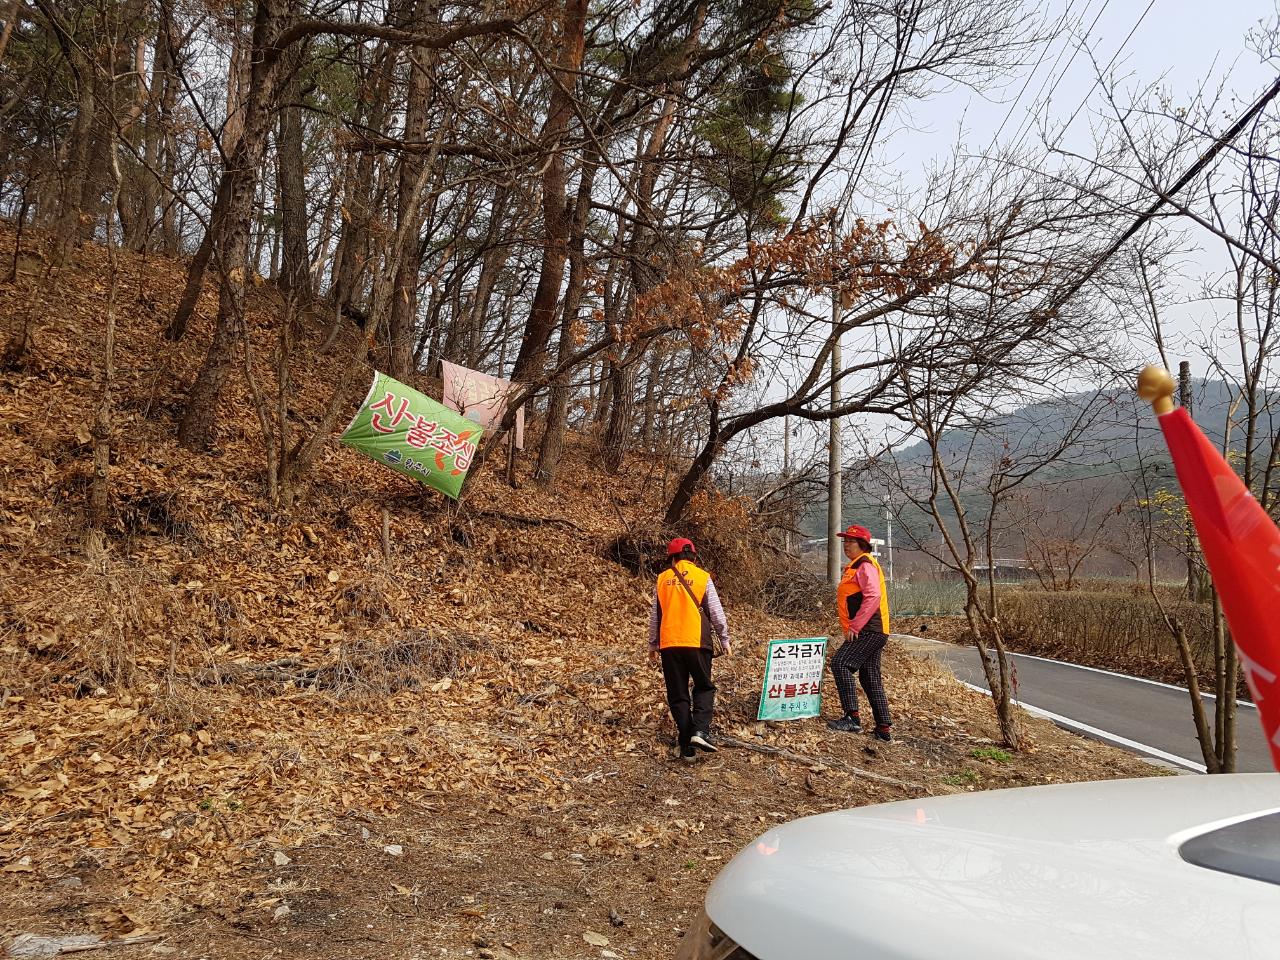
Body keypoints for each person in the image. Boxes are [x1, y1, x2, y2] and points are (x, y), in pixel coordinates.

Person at [649, 538, 732, 761]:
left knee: (678, 694)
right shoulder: (702, 577)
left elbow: (655, 615)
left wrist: (653, 644)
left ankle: (686, 744)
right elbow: (716, 612)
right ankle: (700, 731)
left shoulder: (662, 579)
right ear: (693, 557)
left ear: (672, 559)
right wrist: (724, 639)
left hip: (670, 644)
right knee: (704, 687)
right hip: (697, 642)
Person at [827, 524, 892, 742]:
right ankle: (883, 729)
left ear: (862, 545)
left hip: (868, 629)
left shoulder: (865, 565)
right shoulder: (856, 566)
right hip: (874, 630)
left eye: (851, 542)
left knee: (840, 663)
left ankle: (852, 718)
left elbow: (873, 596)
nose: (846, 545)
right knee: (869, 676)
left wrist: (855, 626)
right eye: (844, 541)